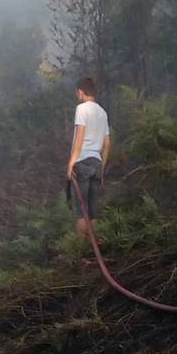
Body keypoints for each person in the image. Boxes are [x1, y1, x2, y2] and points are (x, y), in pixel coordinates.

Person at [67, 76, 111, 238]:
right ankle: (91, 250)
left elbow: (79, 139)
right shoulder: (103, 113)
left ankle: (80, 249)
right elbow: (107, 144)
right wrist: (102, 168)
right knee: (92, 211)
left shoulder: (82, 109)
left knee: (81, 210)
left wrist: (71, 164)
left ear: (80, 92)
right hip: (97, 163)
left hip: (82, 162)